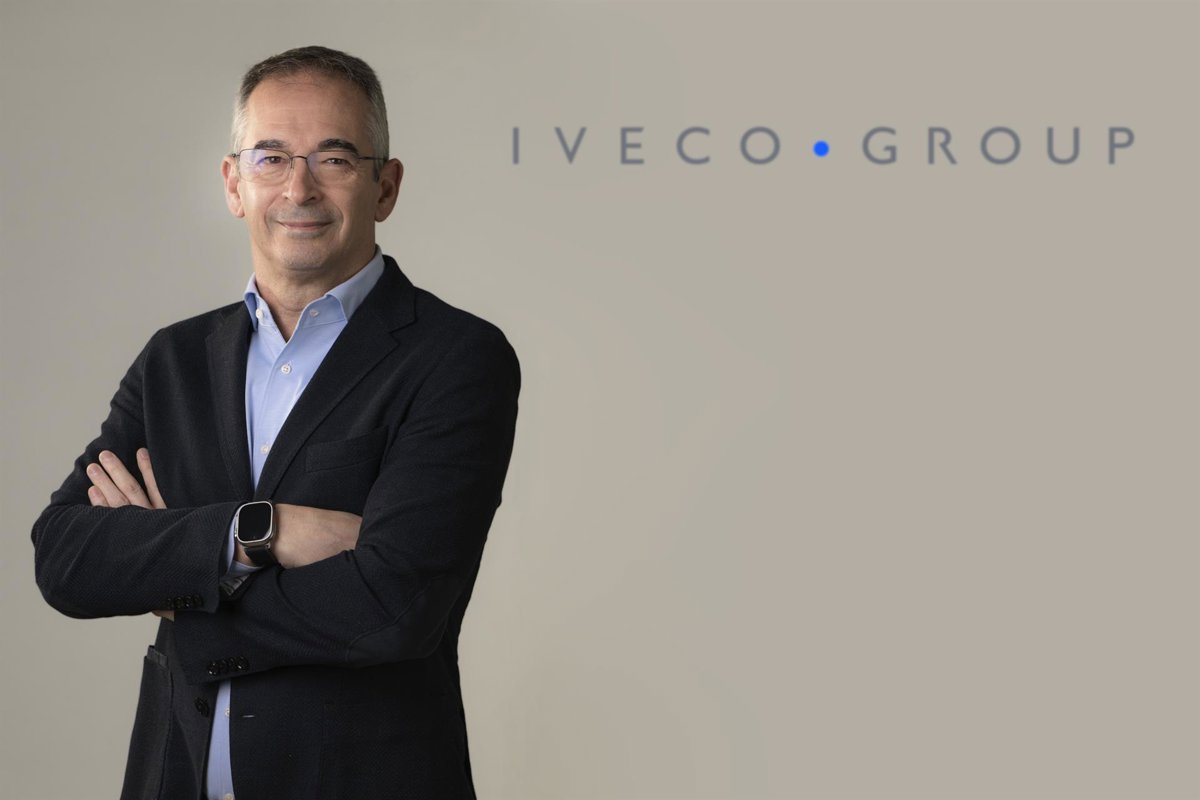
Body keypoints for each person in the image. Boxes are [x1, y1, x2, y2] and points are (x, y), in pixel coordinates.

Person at [30, 45, 520, 800]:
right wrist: (258, 531)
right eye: (271, 158)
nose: (299, 187)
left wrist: (182, 586)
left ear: (386, 186)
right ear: (234, 183)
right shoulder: (175, 360)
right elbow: (65, 556)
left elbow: (396, 606)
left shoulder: (456, 357)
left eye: (335, 159)